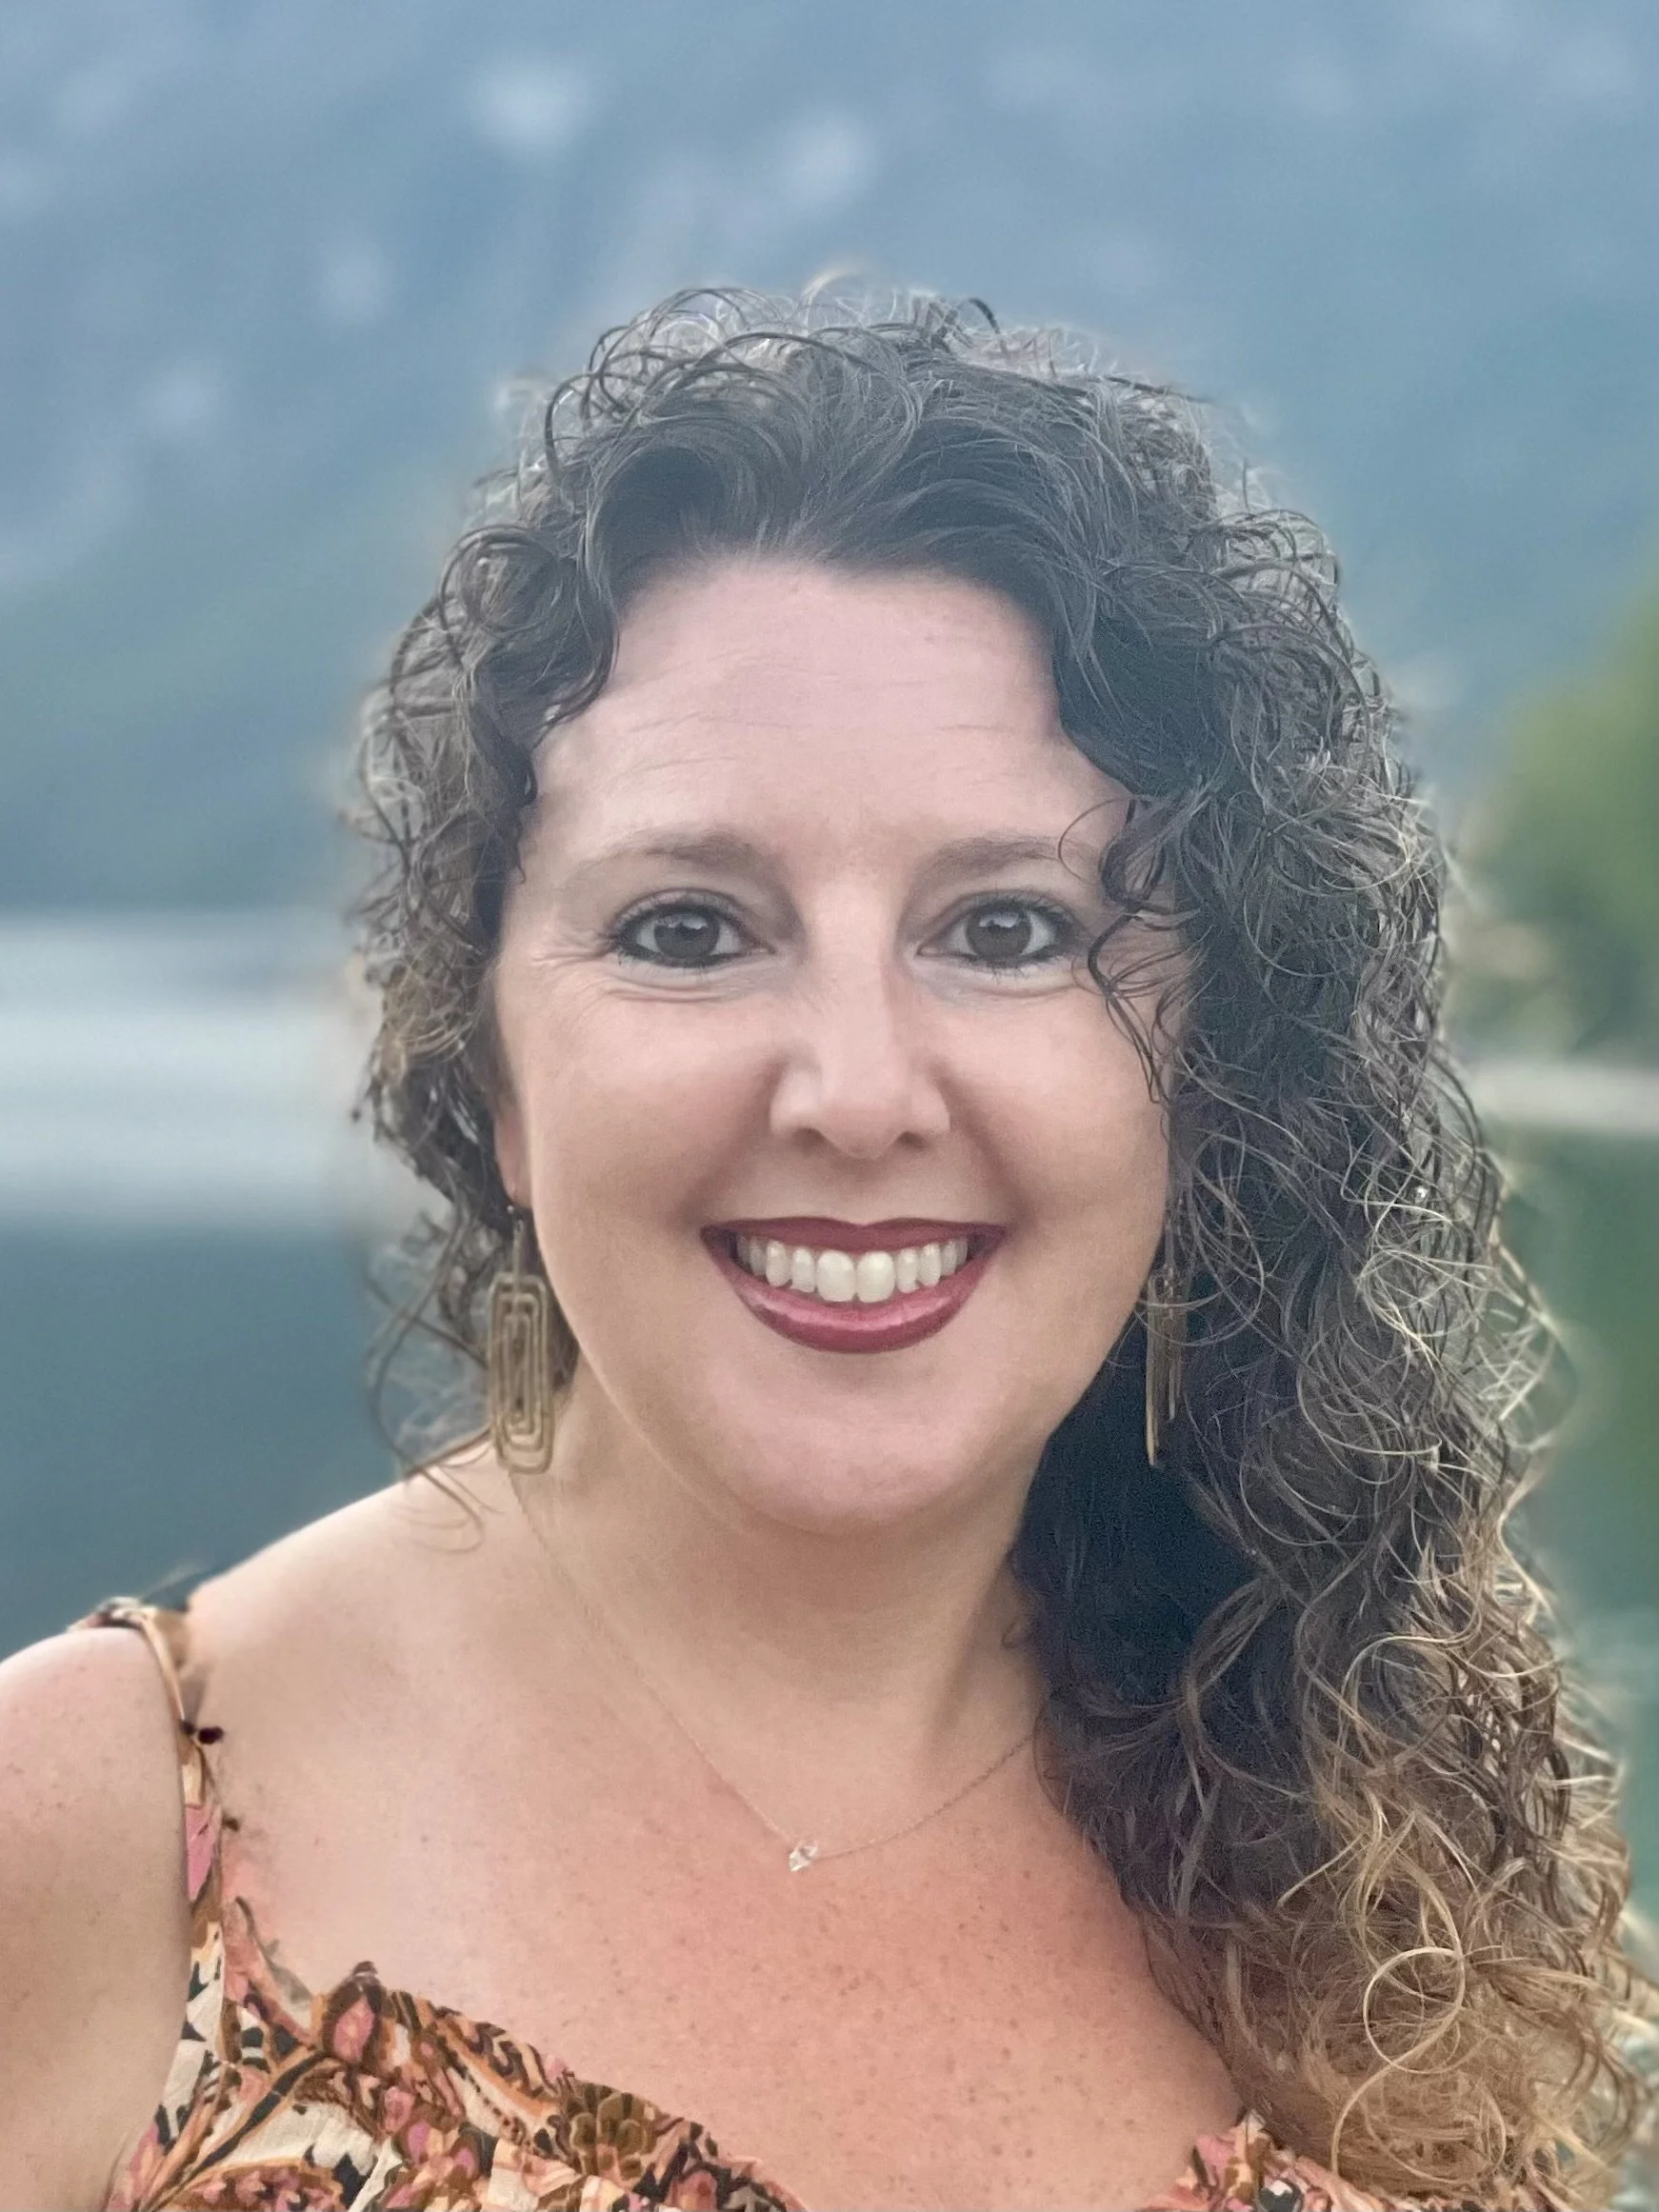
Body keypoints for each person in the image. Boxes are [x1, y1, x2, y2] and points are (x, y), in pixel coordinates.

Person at [0, 289, 1649, 2212]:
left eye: (1011, 930)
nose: (856, 1092)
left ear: (1207, 1075)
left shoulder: (1384, 1888)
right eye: (691, 930)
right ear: (496, 1075)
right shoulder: (83, 1839)